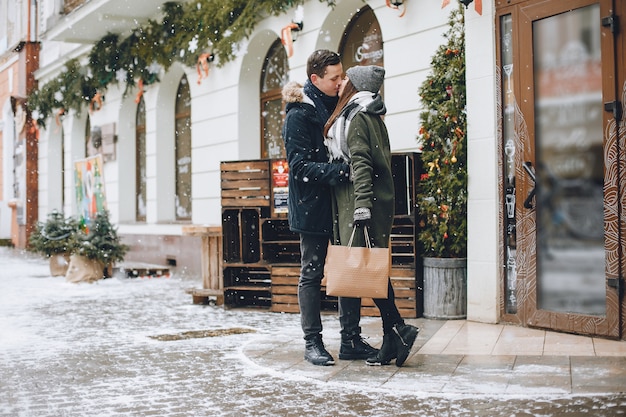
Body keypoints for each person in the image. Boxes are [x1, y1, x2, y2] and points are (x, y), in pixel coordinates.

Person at [281, 50, 379, 366]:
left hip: (340, 204)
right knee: (312, 273)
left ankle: (350, 340)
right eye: (333, 77)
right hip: (311, 208)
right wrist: (340, 172)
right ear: (315, 79)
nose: (340, 82)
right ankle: (312, 343)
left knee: (348, 267)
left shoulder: (337, 105)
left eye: (341, 76)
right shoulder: (299, 114)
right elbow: (298, 166)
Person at [323, 65, 419, 366]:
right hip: (361, 202)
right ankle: (395, 336)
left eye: (345, 79)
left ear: (356, 85)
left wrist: (362, 206)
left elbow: (362, 162)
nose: (340, 83)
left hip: (361, 203)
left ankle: (399, 329)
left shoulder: (359, 115)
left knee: (368, 270)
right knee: (369, 270)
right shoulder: (364, 112)